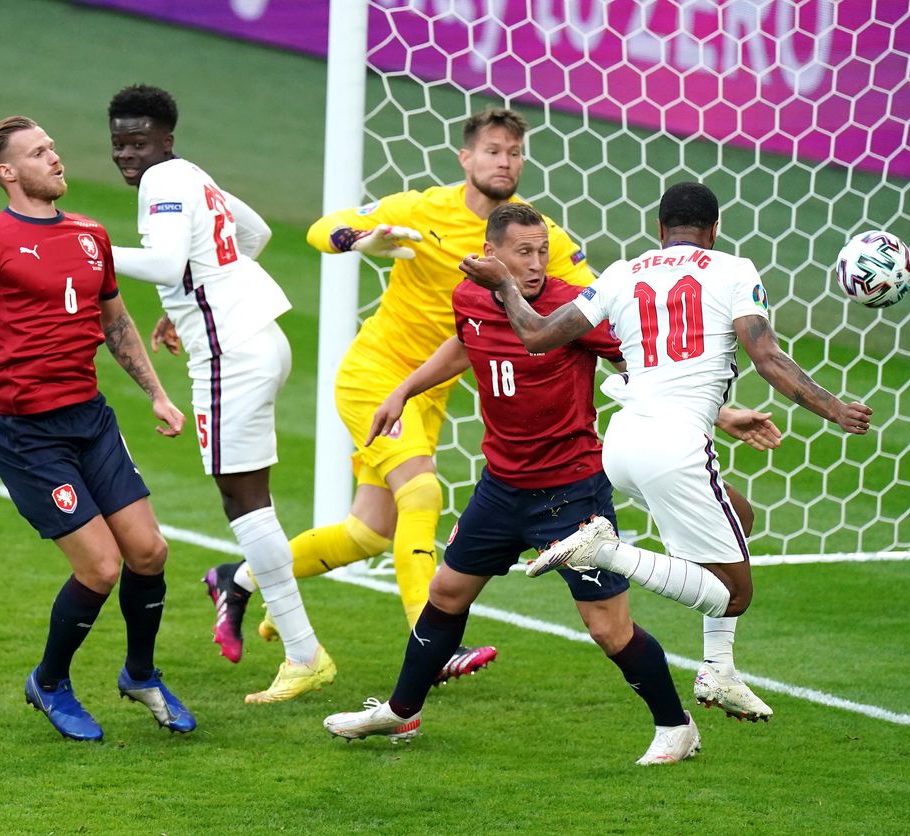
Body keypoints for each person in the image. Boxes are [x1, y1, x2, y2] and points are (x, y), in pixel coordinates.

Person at [322, 203, 779, 762]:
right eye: (523, 252)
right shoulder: (470, 296)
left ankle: (675, 726)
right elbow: (466, 342)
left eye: (542, 251)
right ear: (492, 254)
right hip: (501, 485)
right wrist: (403, 389)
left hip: (571, 490)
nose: (536, 263)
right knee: (444, 593)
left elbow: (645, 365)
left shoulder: (572, 308)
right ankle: (400, 712)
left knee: (609, 629)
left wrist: (723, 415)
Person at [461, 182, 872, 721]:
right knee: (734, 595)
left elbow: (536, 335)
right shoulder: (734, 270)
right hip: (677, 449)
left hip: (624, 443)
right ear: (715, 229)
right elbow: (767, 357)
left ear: (658, 231)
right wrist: (833, 407)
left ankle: (718, 669)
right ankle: (603, 552)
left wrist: (505, 289)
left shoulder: (619, 274)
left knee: (737, 515)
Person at [213, 107, 595, 684]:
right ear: (466, 157)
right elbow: (324, 227)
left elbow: (598, 300)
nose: (505, 161)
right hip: (376, 375)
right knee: (420, 494)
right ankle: (433, 640)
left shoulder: (532, 237)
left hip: (429, 395)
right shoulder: (421, 209)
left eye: (514, 152)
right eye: (492, 150)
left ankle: (236, 579)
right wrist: (361, 238)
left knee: (369, 532)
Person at [0, 115, 196, 741]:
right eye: (39, 152)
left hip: (90, 419)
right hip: (27, 434)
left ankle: (140, 674)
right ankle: (49, 682)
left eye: (52, 148)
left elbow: (117, 323)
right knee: (100, 567)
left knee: (150, 552)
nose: (56, 158)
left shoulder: (89, 234)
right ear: (7, 172)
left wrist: (156, 394)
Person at [105, 84, 334, 704]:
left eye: (138, 142)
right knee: (248, 498)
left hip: (229, 356)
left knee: (243, 501)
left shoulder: (163, 182)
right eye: (119, 144)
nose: (127, 155)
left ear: (165, 140)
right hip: (261, 340)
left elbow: (161, 263)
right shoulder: (191, 175)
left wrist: (88, 244)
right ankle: (294, 643)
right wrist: (184, 307)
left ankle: (302, 652)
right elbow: (253, 232)